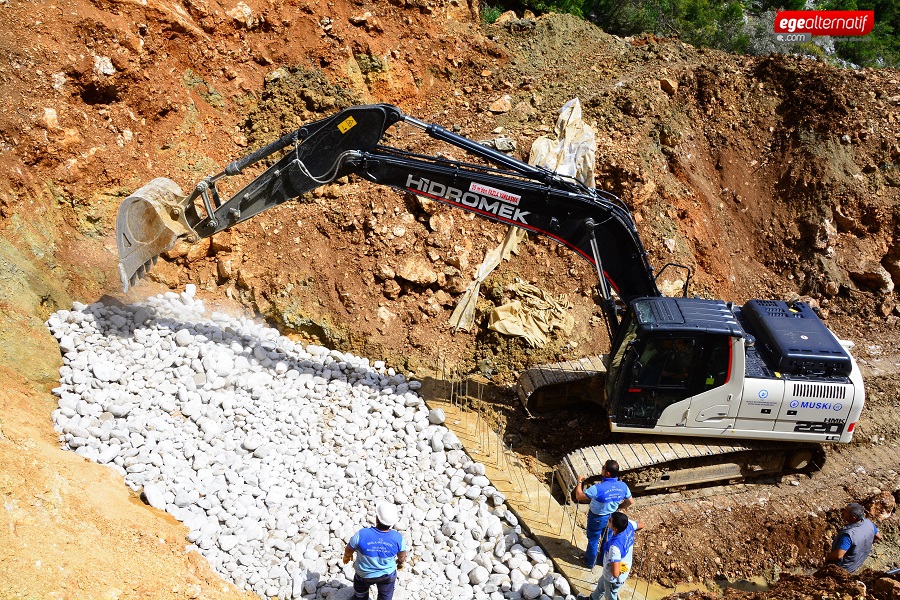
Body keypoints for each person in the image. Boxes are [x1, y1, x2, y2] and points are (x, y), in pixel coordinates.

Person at [573, 459, 634, 568]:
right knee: (607, 539)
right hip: (612, 518)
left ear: (607, 473)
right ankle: (602, 561)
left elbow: (579, 496)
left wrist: (579, 482)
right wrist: (619, 507)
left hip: (597, 517)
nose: (601, 468)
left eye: (603, 467)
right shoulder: (623, 486)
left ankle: (590, 562)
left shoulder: (598, 488)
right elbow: (630, 501)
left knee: (593, 540)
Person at [343, 502, 408, 600]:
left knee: (360, 590)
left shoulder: (362, 534)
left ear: (377, 518)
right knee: (385, 595)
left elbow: (349, 548)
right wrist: (400, 562)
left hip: (364, 573)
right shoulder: (397, 538)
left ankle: (361, 597)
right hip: (387, 574)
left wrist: (347, 556)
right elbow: (402, 555)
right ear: (392, 523)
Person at [585, 511, 644, 600]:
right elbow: (641, 525)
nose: (608, 520)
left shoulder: (615, 547)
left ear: (615, 528)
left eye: (610, 520)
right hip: (610, 574)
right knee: (601, 586)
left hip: (612, 579)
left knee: (610, 596)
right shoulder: (629, 525)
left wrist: (613, 565)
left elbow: (615, 574)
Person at [825, 502, 882, 573]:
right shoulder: (869, 523)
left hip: (845, 568)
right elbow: (878, 537)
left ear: (853, 518)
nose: (843, 512)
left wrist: (828, 557)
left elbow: (838, 555)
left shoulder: (849, 535)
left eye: (845, 512)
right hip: (859, 561)